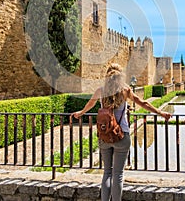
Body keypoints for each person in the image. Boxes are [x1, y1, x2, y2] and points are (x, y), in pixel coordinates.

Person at [71, 63, 172, 201]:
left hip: (105, 137)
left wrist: (81, 113)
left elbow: (90, 104)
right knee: (118, 174)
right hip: (122, 136)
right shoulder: (125, 90)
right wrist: (161, 113)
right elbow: (144, 103)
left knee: (107, 173)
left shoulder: (101, 91)